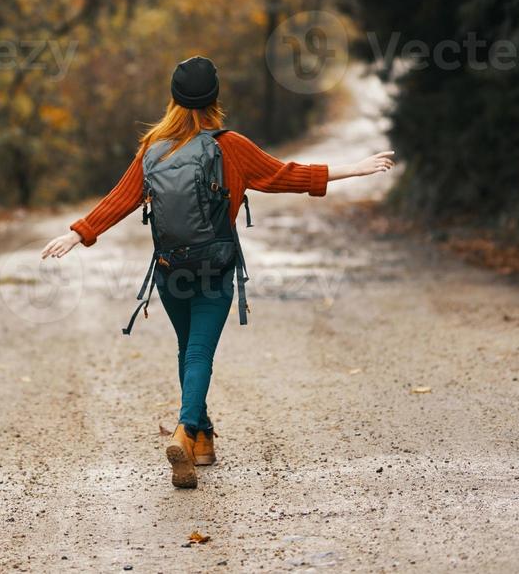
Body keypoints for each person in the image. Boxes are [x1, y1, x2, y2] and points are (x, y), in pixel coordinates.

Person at [40, 55, 394, 488]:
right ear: (215, 98)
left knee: (188, 350)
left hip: (171, 271)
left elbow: (121, 198)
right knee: (199, 354)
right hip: (214, 266)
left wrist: (77, 234)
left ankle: (203, 440)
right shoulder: (230, 146)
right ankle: (186, 431)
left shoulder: (154, 147)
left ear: (172, 97)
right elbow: (286, 175)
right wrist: (354, 169)